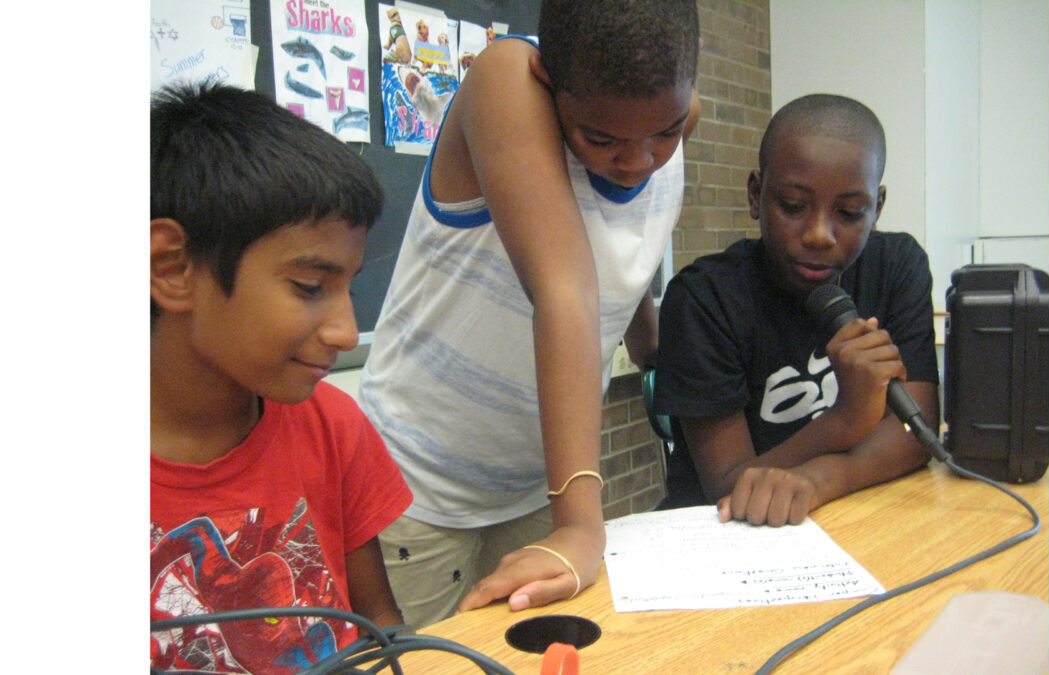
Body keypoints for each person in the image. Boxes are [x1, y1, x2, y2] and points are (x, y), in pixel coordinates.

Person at [360, 0, 701, 627]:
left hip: (533, 482)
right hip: (418, 488)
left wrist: (651, 344)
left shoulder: (660, 121)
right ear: (549, 76)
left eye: (668, 131)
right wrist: (580, 526)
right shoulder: (506, 77)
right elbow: (565, 288)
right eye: (600, 138)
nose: (638, 160)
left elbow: (617, 252)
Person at [149, 81, 413, 672]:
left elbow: (377, 631)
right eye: (310, 288)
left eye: (349, 287)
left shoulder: (330, 427)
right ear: (173, 268)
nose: (347, 332)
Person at [654, 94, 940, 527]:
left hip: (847, 515)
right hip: (720, 536)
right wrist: (846, 420)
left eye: (849, 212)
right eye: (792, 205)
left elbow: (917, 434)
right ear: (756, 195)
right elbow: (728, 484)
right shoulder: (704, 299)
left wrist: (822, 479)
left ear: (876, 209)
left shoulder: (897, 266)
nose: (819, 234)